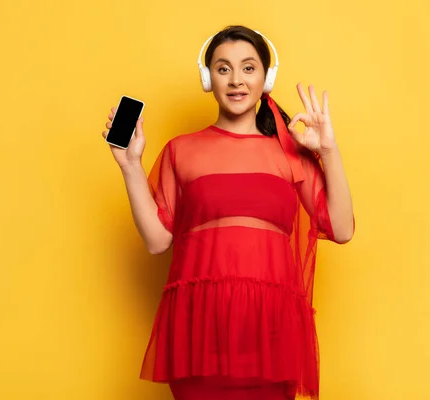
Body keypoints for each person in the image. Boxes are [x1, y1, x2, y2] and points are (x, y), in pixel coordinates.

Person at [101, 25, 355, 400]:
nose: (236, 80)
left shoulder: (291, 151)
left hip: (270, 332)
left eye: (248, 68)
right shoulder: (181, 151)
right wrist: (130, 166)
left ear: (267, 78)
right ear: (208, 79)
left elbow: (342, 227)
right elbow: (157, 241)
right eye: (223, 69)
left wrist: (328, 151)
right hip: (198, 331)